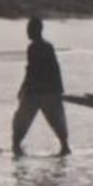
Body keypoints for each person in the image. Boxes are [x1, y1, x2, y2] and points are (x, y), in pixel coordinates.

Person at [12, 17, 69, 156]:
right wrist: (59, 91)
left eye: (29, 29)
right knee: (57, 122)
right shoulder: (48, 47)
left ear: (36, 30)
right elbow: (55, 70)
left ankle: (16, 148)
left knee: (20, 121)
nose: (27, 32)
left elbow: (32, 71)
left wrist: (23, 89)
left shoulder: (33, 48)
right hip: (50, 91)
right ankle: (65, 148)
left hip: (36, 92)